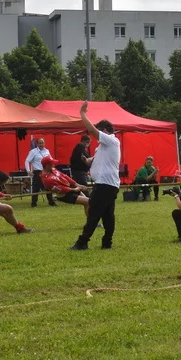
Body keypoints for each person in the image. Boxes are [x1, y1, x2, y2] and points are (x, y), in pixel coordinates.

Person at [70, 102, 120, 251]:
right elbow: (96, 159)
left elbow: (91, 130)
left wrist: (82, 114)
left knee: (93, 213)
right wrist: (88, 160)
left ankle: (82, 242)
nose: (96, 135)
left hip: (104, 184)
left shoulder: (111, 140)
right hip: (109, 184)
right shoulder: (104, 146)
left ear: (104, 130)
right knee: (108, 215)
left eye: (99, 131)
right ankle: (107, 243)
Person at [25, 137, 56, 207]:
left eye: (42, 143)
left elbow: (50, 160)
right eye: (40, 143)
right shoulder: (33, 152)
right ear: (37, 144)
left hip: (47, 171)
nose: (41, 144)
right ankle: (34, 203)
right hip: (37, 171)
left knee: (49, 186)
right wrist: (28, 170)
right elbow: (27, 161)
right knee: (36, 188)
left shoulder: (47, 151)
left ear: (44, 143)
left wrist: (52, 169)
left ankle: (51, 202)